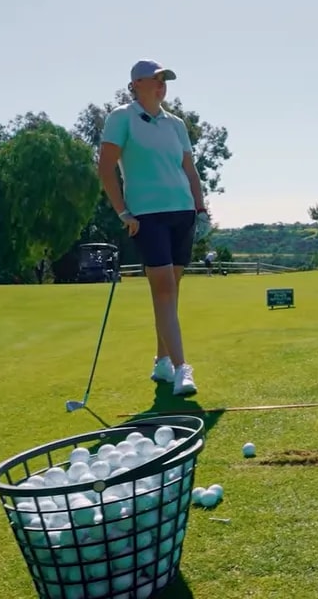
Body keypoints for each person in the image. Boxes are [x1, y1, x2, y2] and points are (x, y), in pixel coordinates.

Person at [98, 59, 207, 397]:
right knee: (163, 292)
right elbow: (105, 169)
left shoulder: (175, 124)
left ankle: (161, 360)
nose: (162, 85)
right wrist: (123, 213)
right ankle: (180, 369)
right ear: (136, 85)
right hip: (148, 216)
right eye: (156, 79)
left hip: (182, 213)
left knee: (170, 293)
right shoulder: (121, 118)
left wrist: (200, 209)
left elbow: (189, 171)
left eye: (165, 80)